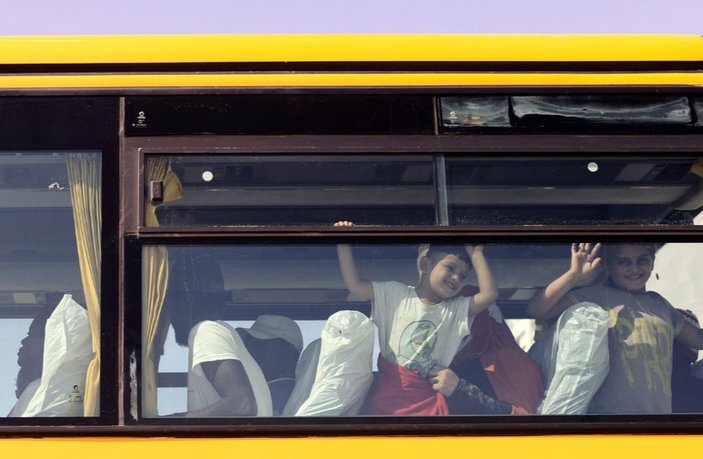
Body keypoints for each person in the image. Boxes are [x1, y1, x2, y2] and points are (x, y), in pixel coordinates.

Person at [334, 221, 498, 415]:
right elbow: (355, 285)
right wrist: (343, 243)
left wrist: (477, 254)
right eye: (450, 268)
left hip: (426, 402)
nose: (456, 278)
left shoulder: (456, 310)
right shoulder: (395, 294)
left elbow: (489, 295)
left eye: (462, 275)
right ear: (425, 264)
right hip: (389, 396)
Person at [526, 242, 703, 414]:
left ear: (652, 262)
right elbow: (536, 309)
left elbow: (698, 339)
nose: (634, 268)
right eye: (623, 262)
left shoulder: (660, 305)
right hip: (608, 421)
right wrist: (573, 276)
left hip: (657, 420)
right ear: (608, 267)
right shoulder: (594, 297)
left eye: (642, 260)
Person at [165, 255, 303, 417]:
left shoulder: (207, 331)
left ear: (182, 301)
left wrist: (171, 421)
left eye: (170, 300)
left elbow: (242, 405)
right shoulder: (214, 332)